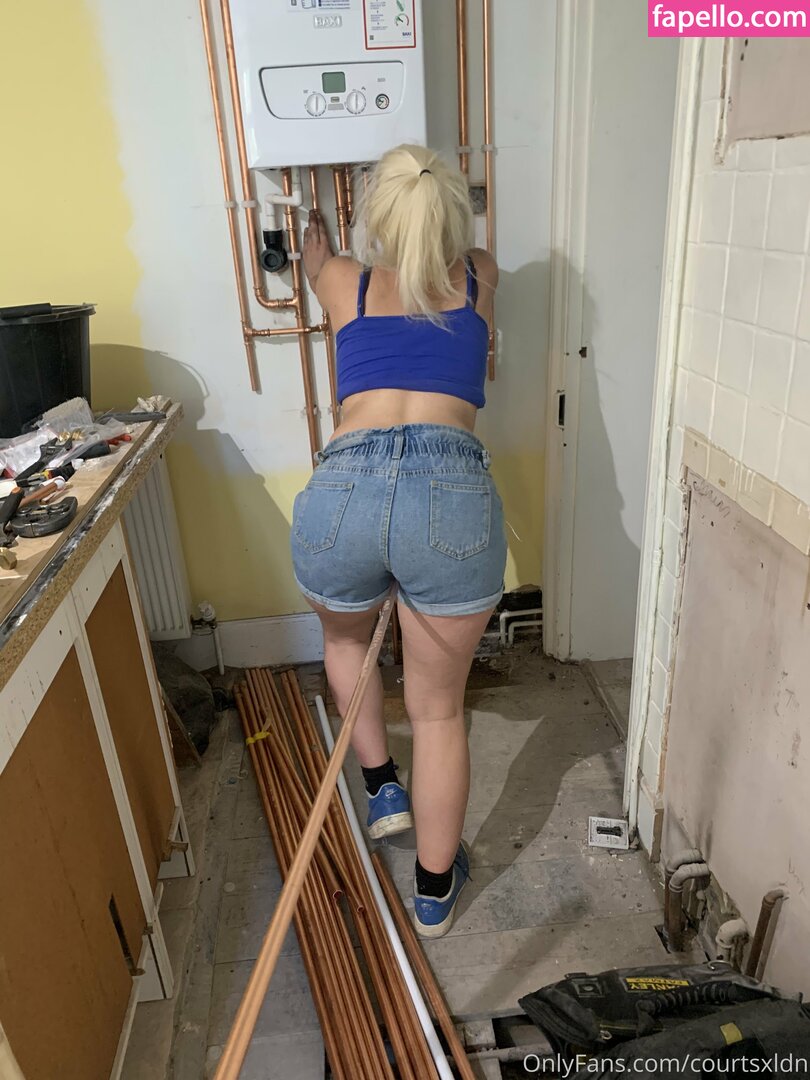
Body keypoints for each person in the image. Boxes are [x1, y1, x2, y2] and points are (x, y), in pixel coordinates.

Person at [295, 143, 506, 938]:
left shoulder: (343, 282)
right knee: (439, 712)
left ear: (376, 217)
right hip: (449, 493)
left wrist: (314, 244)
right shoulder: (481, 274)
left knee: (346, 642)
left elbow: (316, 262)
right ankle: (433, 893)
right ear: (456, 216)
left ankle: (382, 786)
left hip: (343, 489)